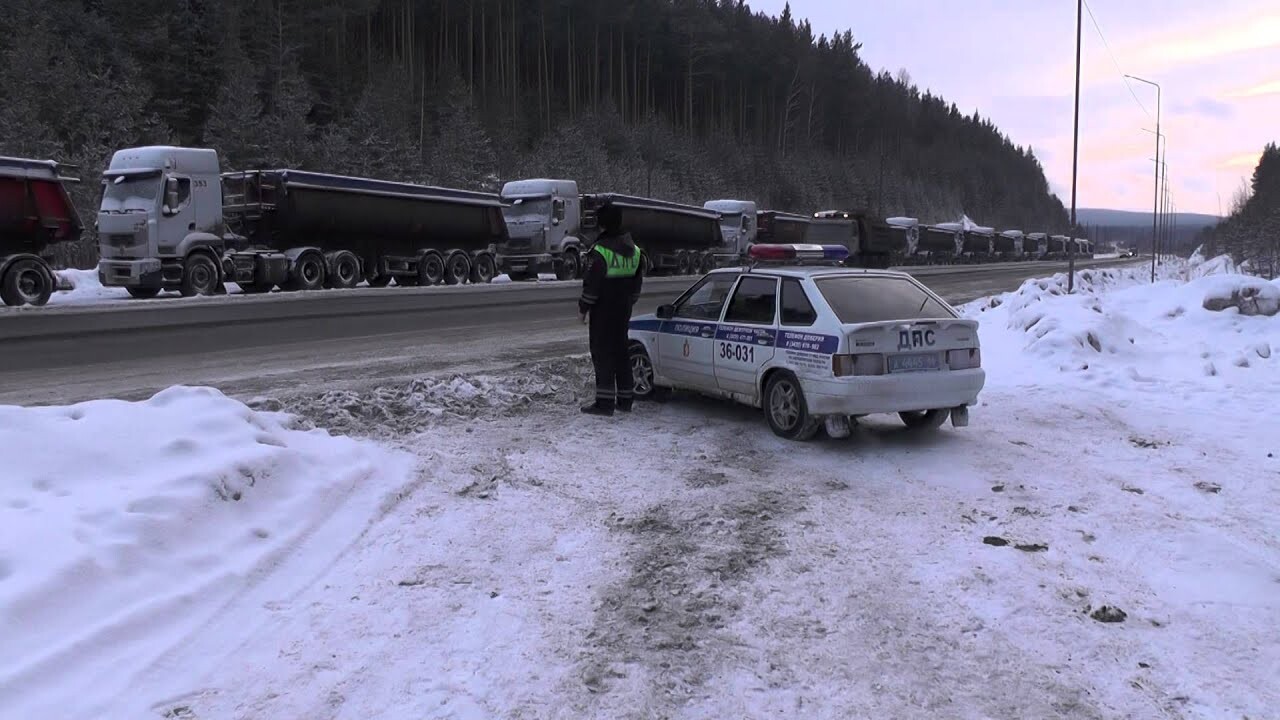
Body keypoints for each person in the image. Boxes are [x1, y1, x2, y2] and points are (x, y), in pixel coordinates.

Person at [578, 202, 644, 416]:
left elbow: (592, 284)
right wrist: (629, 302)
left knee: (603, 354)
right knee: (621, 352)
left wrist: (584, 307)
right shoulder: (634, 250)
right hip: (623, 309)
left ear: (602, 224)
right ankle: (625, 399)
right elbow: (637, 283)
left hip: (603, 311)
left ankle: (604, 403)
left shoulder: (599, 251)